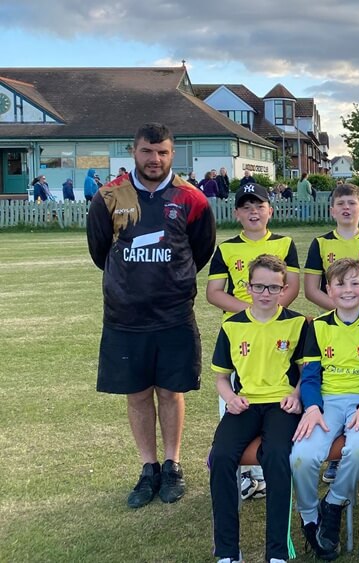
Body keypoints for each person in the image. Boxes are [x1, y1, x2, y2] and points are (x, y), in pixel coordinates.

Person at [87, 122, 216, 509]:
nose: (154, 159)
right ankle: (149, 467)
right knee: (138, 393)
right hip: (125, 316)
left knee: (171, 391)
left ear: (172, 154)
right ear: (134, 152)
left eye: (162, 152)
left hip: (174, 314)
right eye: (147, 151)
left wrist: (172, 280)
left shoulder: (192, 199)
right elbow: (100, 252)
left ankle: (173, 464)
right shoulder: (109, 197)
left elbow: (200, 250)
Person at [207, 181, 302, 501]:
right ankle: (245, 473)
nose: (253, 212)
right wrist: (251, 314)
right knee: (237, 401)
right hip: (240, 334)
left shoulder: (285, 243)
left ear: (269, 210)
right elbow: (214, 293)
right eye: (246, 207)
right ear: (236, 213)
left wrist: (269, 313)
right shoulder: (226, 249)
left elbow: (291, 287)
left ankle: (266, 471)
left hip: (276, 330)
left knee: (275, 397)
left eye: (259, 206)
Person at [209, 255, 306, 563]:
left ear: (284, 289)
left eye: (273, 287)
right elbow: (221, 377)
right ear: (248, 287)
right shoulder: (232, 326)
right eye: (260, 286)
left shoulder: (297, 323)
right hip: (246, 403)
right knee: (221, 456)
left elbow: (307, 372)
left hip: (281, 404)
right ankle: (227, 552)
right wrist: (230, 398)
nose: (266, 293)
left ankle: (277, 552)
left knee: (276, 456)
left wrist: (297, 394)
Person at [290, 258, 359, 560]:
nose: (348, 290)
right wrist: (312, 408)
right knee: (301, 457)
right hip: (327, 402)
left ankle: (333, 504)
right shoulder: (318, 327)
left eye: (355, 283)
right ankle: (310, 517)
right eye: (340, 284)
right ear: (328, 290)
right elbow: (310, 377)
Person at [304, 182, 359, 317]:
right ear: (332, 211)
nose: (346, 207)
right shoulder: (320, 243)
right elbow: (311, 290)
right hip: (330, 318)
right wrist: (344, 307)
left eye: (352, 203)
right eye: (340, 203)